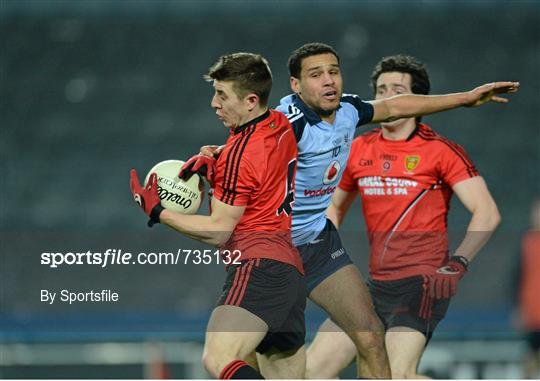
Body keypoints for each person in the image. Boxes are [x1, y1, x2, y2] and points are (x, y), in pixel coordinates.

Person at [186, 43, 519, 378]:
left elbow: (395, 107)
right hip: (274, 248)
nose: (329, 80)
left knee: (371, 336)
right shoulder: (288, 121)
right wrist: (218, 155)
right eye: (316, 74)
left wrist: (465, 98)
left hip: (320, 245)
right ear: (295, 85)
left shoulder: (349, 111)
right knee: (260, 354)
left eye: (334, 71)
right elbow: (250, 142)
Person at [307, 54, 502, 378]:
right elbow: (334, 205)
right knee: (312, 371)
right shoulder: (359, 149)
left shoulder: (440, 151)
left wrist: (459, 262)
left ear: (416, 101)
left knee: (395, 375)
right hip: (374, 287)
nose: (386, 98)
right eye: (381, 90)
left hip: (421, 286)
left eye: (396, 90)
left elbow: (487, 212)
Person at [130, 52, 306, 379]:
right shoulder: (279, 123)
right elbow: (260, 165)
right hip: (290, 274)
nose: (214, 103)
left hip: (258, 267)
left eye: (222, 95)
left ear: (251, 100)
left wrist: (157, 210)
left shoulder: (240, 154)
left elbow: (219, 230)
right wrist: (220, 162)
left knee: (218, 357)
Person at [517, 199, 540, 379]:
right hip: (533, 313)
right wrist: (518, 307)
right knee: (531, 355)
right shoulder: (526, 241)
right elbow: (516, 277)